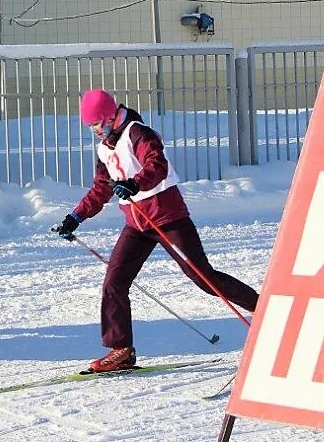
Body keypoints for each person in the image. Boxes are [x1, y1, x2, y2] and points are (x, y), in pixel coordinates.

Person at [52, 88, 259, 373]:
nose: (96, 131)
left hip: (167, 217)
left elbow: (156, 165)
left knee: (202, 277)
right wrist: (75, 217)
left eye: (98, 124)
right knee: (114, 281)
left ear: (111, 115)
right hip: (137, 224)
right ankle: (121, 350)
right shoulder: (105, 148)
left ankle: (263, 311)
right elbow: (101, 188)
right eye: (91, 127)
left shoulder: (138, 133)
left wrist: (136, 183)